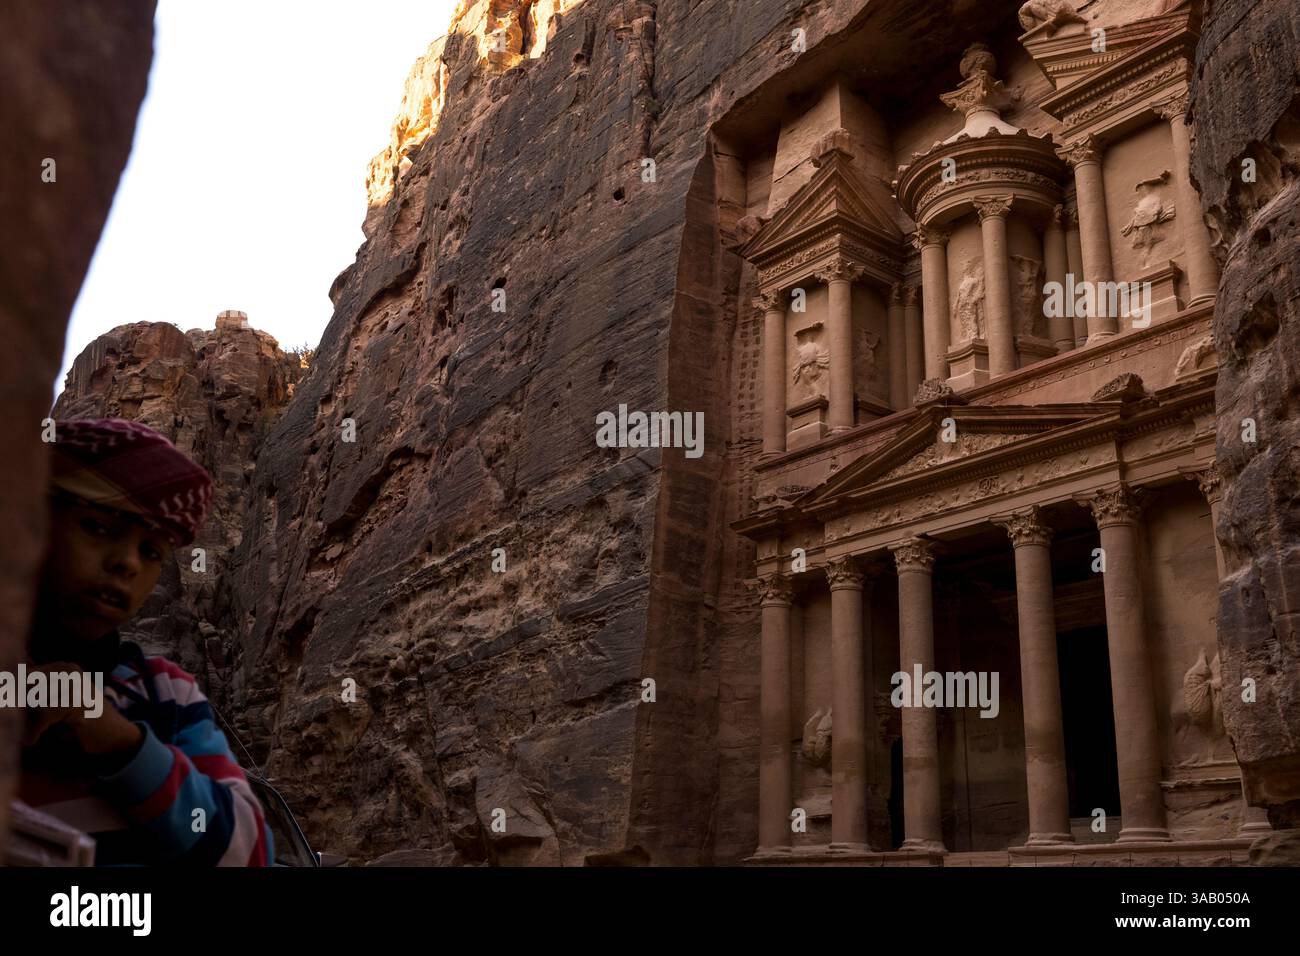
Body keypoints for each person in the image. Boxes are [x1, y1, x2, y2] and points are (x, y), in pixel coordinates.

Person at [18, 417, 272, 866]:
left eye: (151, 552)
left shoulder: (166, 694)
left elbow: (251, 850)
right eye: (97, 527)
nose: (126, 563)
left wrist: (121, 742)